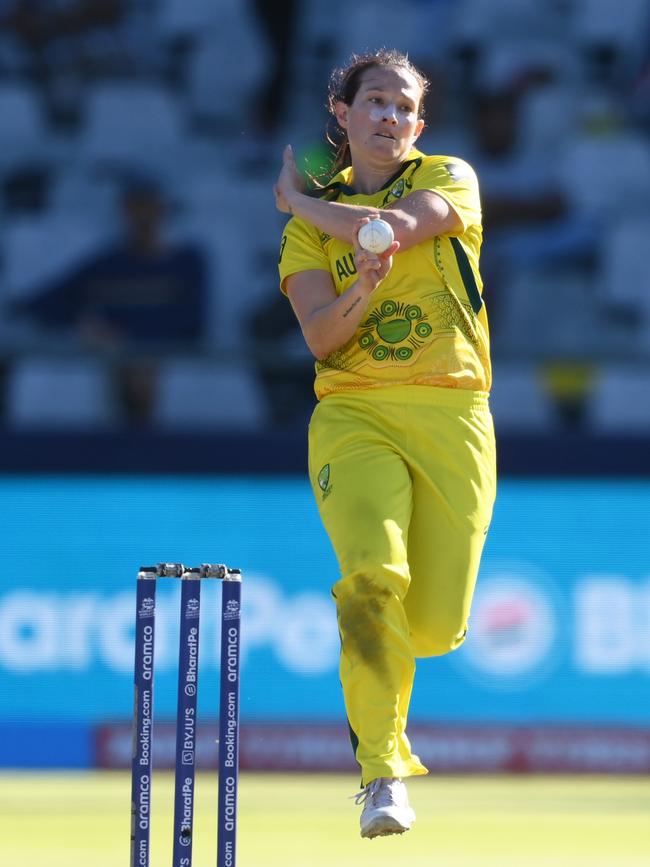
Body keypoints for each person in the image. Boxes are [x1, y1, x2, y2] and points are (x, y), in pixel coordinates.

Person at [274, 48, 497, 839]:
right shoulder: (308, 238)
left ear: (420, 126)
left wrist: (299, 202)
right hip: (354, 412)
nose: (390, 118)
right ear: (343, 113)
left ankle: (383, 713)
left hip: (452, 411)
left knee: (431, 626)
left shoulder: (449, 177)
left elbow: (391, 229)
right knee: (373, 579)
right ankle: (381, 771)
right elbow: (320, 336)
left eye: (404, 108)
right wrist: (362, 292)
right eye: (375, 101)